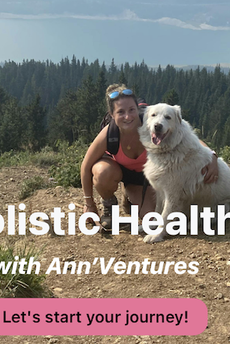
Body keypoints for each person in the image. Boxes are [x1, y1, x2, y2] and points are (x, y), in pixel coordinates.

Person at [79, 83, 219, 236]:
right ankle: (109, 207)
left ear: (138, 109)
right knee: (102, 171)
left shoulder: (151, 120)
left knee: (151, 219)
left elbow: (191, 139)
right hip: (119, 173)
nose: (128, 116)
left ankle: (129, 196)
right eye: (120, 112)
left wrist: (212, 156)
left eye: (131, 110)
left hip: (143, 180)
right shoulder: (109, 133)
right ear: (112, 115)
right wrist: (89, 203)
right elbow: (86, 166)